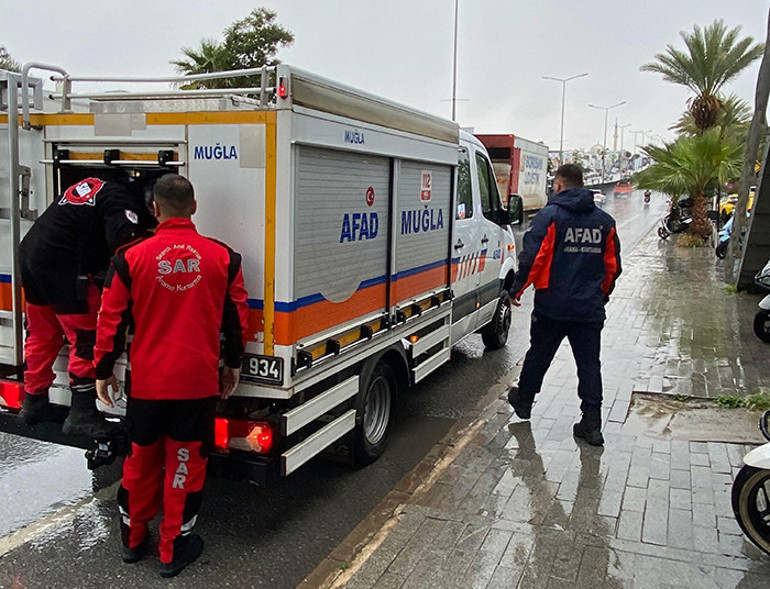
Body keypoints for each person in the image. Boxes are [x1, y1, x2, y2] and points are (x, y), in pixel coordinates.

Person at [93, 174, 249, 578]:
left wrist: (103, 369)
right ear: (193, 207)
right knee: (185, 464)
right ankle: (172, 550)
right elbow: (236, 319)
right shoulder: (223, 257)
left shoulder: (129, 258)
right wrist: (233, 362)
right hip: (195, 384)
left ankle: (132, 541)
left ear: (154, 209)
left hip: (148, 384)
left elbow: (111, 319)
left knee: (140, 462)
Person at [19, 172, 156, 437]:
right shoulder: (122, 200)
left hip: (31, 254)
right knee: (85, 338)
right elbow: (127, 249)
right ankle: (82, 414)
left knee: (41, 333)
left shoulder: (104, 184)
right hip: (64, 266)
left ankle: (33, 402)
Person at [507, 164, 621, 446]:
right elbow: (612, 267)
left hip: (552, 306)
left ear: (558, 185)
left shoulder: (551, 216)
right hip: (588, 310)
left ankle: (524, 401)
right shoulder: (604, 222)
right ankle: (592, 424)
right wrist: (600, 296)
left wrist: (516, 290)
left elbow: (534, 257)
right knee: (589, 364)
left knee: (540, 354)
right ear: (582, 185)